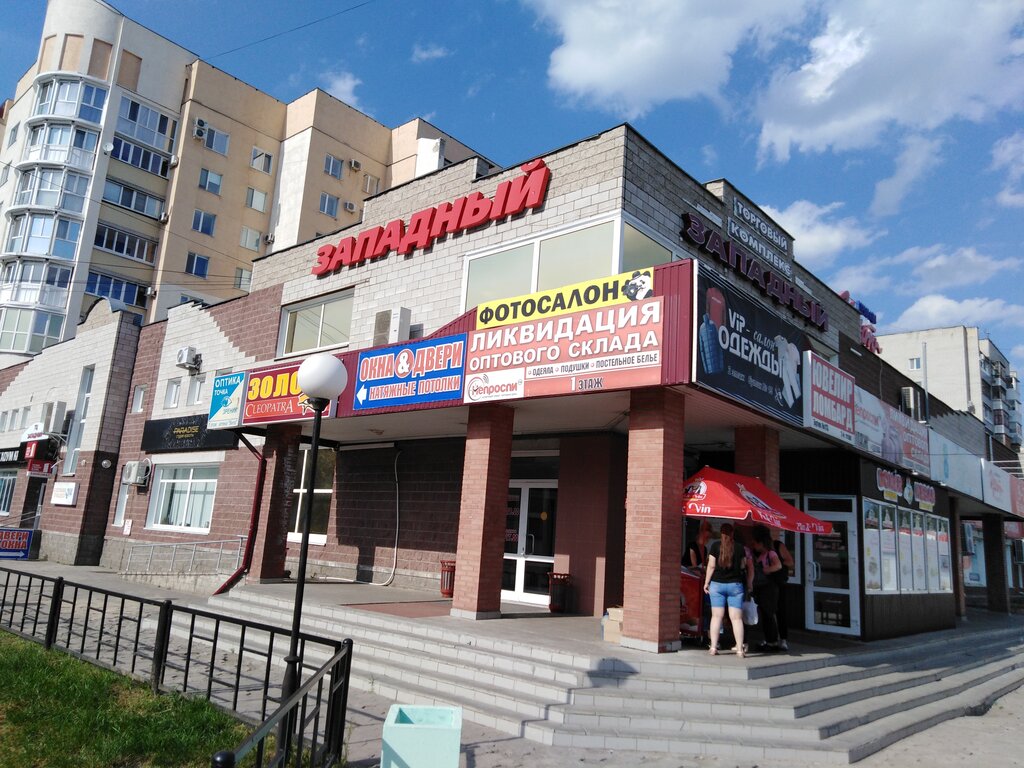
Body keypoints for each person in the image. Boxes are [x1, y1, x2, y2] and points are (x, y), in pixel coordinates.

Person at [703, 523, 753, 657]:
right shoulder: (740, 548)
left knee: (716, 617)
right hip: (735, 585)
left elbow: (711, 566)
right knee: (736, 619)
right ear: (732, 533)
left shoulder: (715, 546)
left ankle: (713, 648)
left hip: (717, 585)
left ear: (721, 533)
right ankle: (740, 650)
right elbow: (743, 566)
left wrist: (706, 583)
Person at [750, 525, 783, 652]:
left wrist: (765, 570)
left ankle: (772, 642)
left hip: (769, 588)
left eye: (755, 543)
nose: (753, 546)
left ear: (761, 543)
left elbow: (778, 565)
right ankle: (770, 640)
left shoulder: (771, 553)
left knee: (769, 614)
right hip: (762, 588)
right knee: (765, 615)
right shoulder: (762, 554)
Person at [771, 528, 795, 651]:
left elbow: (790, 562)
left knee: (780, 610)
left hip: (779, 582)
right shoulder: (760, 548)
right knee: (769, 611)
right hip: (766, 583)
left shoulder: (778, 545)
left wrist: (777, 562)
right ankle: (772, 638)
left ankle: (783, 638)